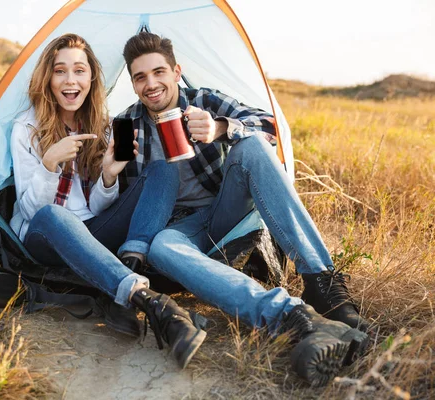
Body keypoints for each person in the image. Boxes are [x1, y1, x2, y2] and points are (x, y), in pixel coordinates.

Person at [114, 32, 370, 385]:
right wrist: (110, 169)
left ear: (176, 71)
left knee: (252, 148)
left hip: (226, 211)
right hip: (180, 229)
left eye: (159, 72)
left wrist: (221, 128)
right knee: (160, 246)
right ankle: (290, 317)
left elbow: (271, 128)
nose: (151, 84)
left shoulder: (202, 99)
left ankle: (320, 281)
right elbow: (122, 199)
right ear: (132, 83)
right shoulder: (127, 125)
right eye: (140, 77)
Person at [8, 33, 206, 369]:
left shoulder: (102, 126)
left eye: (79, 71)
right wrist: (48, 165)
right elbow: (31, 211)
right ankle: (152, 303)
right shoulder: (26, 127)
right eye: (60, 71)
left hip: (90, 230)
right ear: (49, 78)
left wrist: (109, 176)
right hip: (43, 234)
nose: (71, 80)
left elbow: (96, 209)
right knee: (56, 215)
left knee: (163, 169)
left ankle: (125, 279)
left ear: (91, 78)